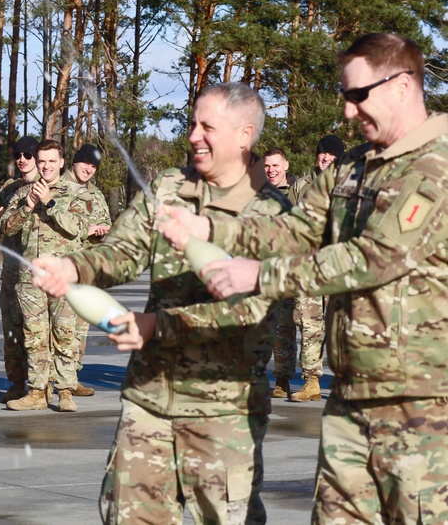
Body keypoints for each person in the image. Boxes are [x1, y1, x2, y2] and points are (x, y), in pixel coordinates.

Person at [160, 33, 448, 524]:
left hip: (423, 405)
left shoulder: (435, 166)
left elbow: (372, 258)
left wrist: (259, 275)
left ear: (402, 86)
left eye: (359, 95)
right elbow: (295, 228)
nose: (350, 112)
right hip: (351, 396)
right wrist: (213, 227)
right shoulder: (354, 166)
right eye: (345, 97)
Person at [33, 83, 289, 523]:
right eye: (192, 123)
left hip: (222, 409)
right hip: (149, 401)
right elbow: (122, 251)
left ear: (245, 135)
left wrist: (156, 327)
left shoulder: (272, 213)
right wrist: (72, 269)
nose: (193, 135)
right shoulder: (169, 186)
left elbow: (248, 309)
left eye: (208, 126)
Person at [1, 139, 90, 413]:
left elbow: (78, 228)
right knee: (35, 337)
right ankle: (38, 392)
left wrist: (50, 203)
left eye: (52, 161)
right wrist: (27, 207)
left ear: (62, 163)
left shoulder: (76, 193)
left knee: (64, 335)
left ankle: (65, 391)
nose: (47, 166)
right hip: (31, 278)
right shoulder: (24, 191)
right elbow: (6, 227)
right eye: (42, 162)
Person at [277, 135, 344, 403]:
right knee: (309, 325)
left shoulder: (352, 183)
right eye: (322, 153)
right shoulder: (301, 186)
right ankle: (312, 381)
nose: (326, 157)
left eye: (331, 154)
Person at [0, 135, 39, 403]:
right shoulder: (9, 189)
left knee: (38, 329)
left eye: (27, 155)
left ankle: (45, 383)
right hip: (12, 268)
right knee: (12, 328)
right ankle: (17, 382)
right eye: (18, 155)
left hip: (37, 269)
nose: (21, 160)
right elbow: (3, 227)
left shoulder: (49, 187)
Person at [65, 143, 111, 398]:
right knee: (55, 327)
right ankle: (50, 378)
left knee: (79, 328)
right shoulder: (57, 186)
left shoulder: (95, 195)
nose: (89, 170)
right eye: (86, 164)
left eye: (94, 167)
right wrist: (85, 228)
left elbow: (105, 223)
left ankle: (71, 376)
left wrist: (101, 231)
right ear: (74, 162)